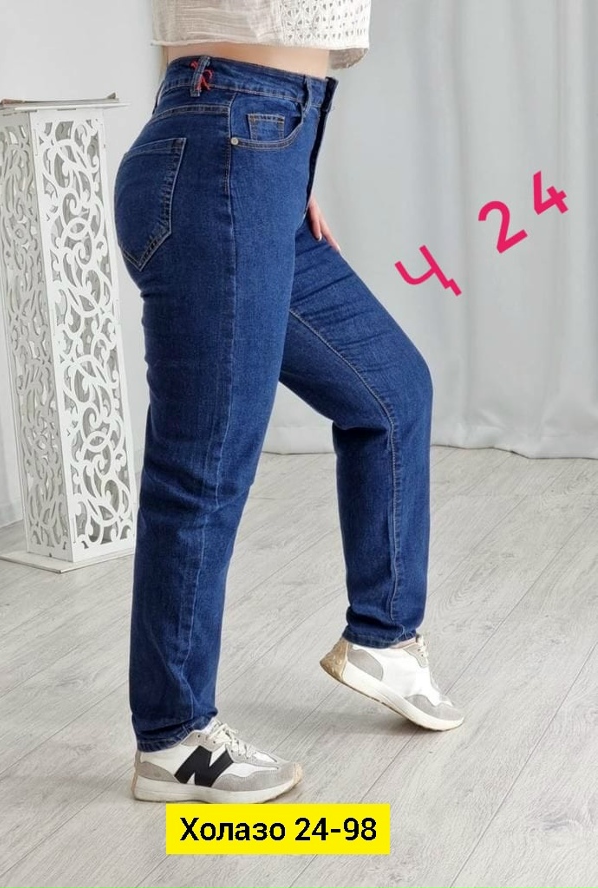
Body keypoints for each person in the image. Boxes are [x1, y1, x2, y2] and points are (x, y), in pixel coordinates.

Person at [112, 0, 464, 806]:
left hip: (263, 151)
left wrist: (287, 171)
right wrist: (250, 153)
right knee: (203, 467)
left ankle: (384, 639)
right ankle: (172, 738)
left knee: (391, 393)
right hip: (226, 146)